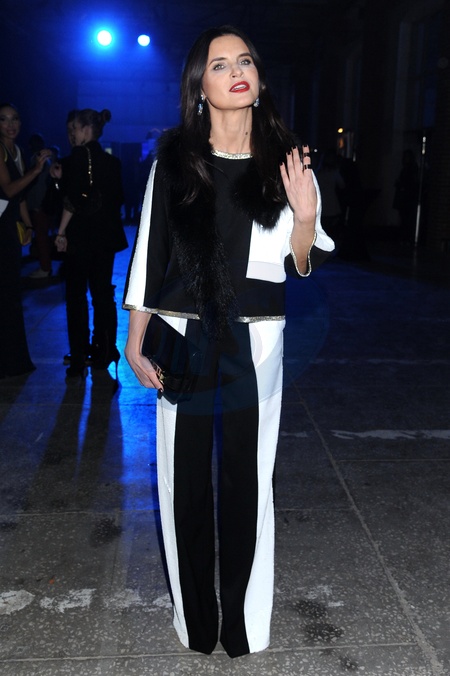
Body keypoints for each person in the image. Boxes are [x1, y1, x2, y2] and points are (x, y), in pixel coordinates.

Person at [123, 25, 334, 658]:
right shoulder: (175, 162)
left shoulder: (286, 162)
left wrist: (305, 217)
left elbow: (302, 262)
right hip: (185, 332)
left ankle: (244, 626)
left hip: (257, 339)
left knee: (249, 479)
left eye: (244, 61)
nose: (236, 72)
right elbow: (150, 251)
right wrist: (134, 339)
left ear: (259, 80)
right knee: (184, 479)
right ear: (200, 87)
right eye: (219, 65)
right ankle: (197, 622)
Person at [53, 108, 127, 378]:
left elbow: (70, 201)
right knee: (103, 295)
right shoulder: (113, 163)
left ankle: (78, 356)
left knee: (76, 297)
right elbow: (119, 199)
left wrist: (61, 232)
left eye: (73, 129)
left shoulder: (74, 159)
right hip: (106, 238)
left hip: (80, 238)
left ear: (85, 129)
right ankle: (104, 351)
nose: (71, 134)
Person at [0, 103, 53, 378]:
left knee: (11, 293)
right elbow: (9, 189)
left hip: (9, 226)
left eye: (15, 119)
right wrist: (36, 169)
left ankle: (13, 360)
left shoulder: (18, 151)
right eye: (4, 119)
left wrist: (28, 225)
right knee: (5, 292)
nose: (11, 124)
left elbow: (19, 197)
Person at [26, 133, 53, 278]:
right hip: (44, 204)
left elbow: (37, 185)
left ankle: (45, 267)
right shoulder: (47, 159)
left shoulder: (38, 160)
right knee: (42, 236)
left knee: (41, 236)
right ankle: (45, 265)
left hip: (40, 205)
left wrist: (36, 204)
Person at [393, 149, 419, 246]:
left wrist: (401, 185)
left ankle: (406, 238)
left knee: (407, 219)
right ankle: (404, 238)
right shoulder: (406, 168)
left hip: (407, 198)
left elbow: (410, 183)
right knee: (404, 219)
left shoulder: (410, 169)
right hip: (405, 198)